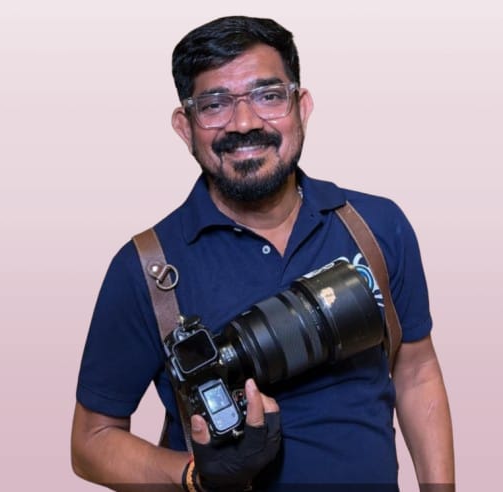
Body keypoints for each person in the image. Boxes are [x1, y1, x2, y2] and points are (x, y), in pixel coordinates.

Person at [71, 15, 455, 491]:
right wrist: (194, 477)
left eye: (268, 96)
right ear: (185, 127)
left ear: (301, 107)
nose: (245, 123)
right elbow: (92, 441)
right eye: (215, 104)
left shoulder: (376, 227)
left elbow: (415, 370)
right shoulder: (148, 269)